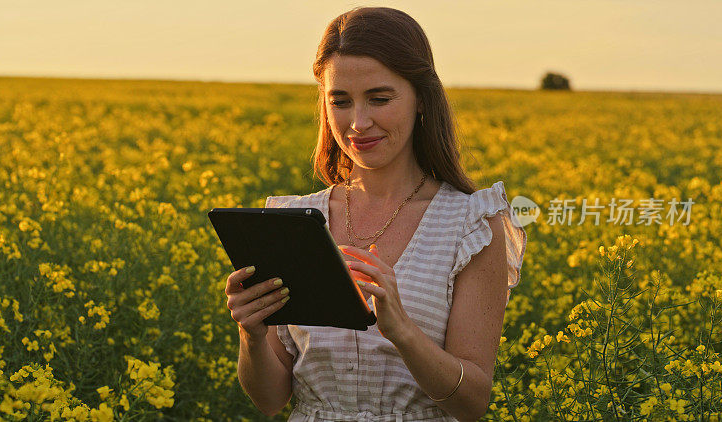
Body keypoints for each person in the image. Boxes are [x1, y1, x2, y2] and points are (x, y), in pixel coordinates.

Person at [225, 6, 527, 421]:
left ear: (422, 99)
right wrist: (252, 334)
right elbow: (271, 399)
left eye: (379, 99)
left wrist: (402, 331)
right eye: (341, 102)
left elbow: (472, 402)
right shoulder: (293, 221)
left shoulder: (471, 224)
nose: (358, 123)